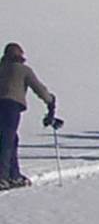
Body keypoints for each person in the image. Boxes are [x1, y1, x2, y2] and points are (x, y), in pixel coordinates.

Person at [0, 42, 56, 189]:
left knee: (10, 139)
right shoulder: (23, 70)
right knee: (8, 140)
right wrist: (50, 100)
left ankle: (14, 174)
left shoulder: (1, 69)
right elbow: (38, 88)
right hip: (12, 106)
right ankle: (4, 177)